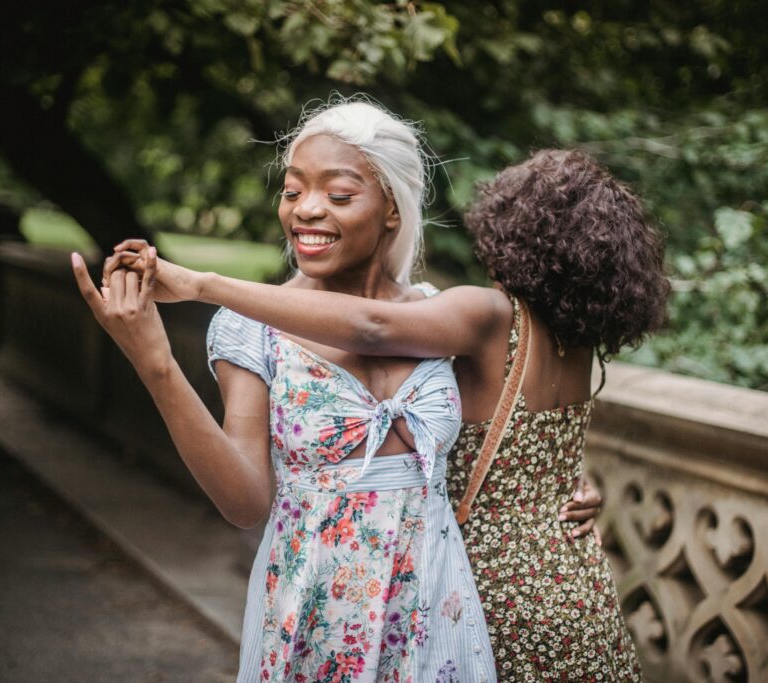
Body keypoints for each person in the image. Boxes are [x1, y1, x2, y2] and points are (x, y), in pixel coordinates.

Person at [104, 146, 668, 680]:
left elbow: (372, 326)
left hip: (490, 597)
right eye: (292, 189)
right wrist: (576, 489)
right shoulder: (578, 346)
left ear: (514, 231)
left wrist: (204, 286)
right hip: (579, 593)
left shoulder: (482, 314)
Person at [73, 100, 500, 682]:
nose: (307, 210)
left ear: (393, 209)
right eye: (294, 191)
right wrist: (156, 364)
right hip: (315, 616)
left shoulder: (436, 316)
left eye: (340, 195)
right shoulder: (250, 330)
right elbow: (243, 503)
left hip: (434, 611)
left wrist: (571, 491)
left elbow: (507, 426)